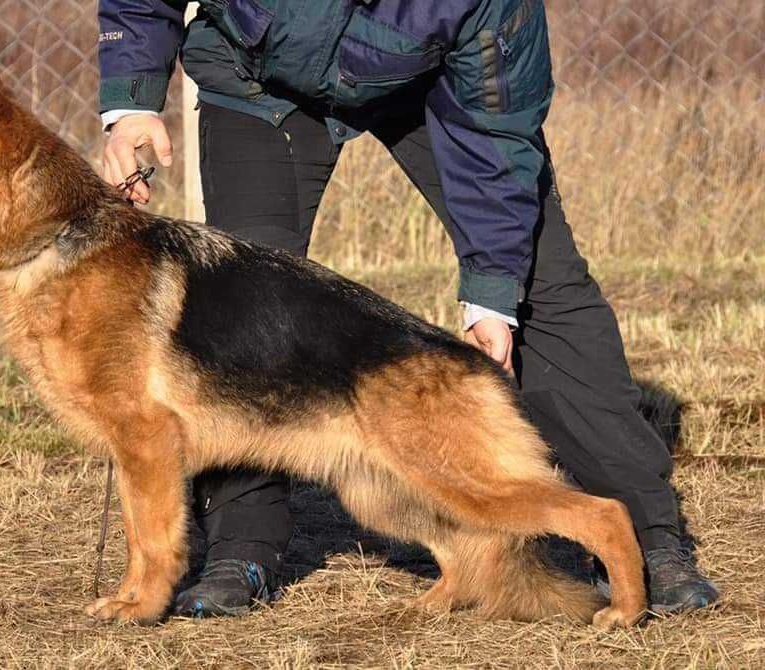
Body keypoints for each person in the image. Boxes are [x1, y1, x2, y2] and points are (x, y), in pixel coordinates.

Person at [97, 0, 718, 617]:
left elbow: (496, 136)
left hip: (435, 82)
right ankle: (243, 542)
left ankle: (644, 533)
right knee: (238, 307)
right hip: (261, 78)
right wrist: (131, 101)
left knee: (542, 283)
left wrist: (493, 295)